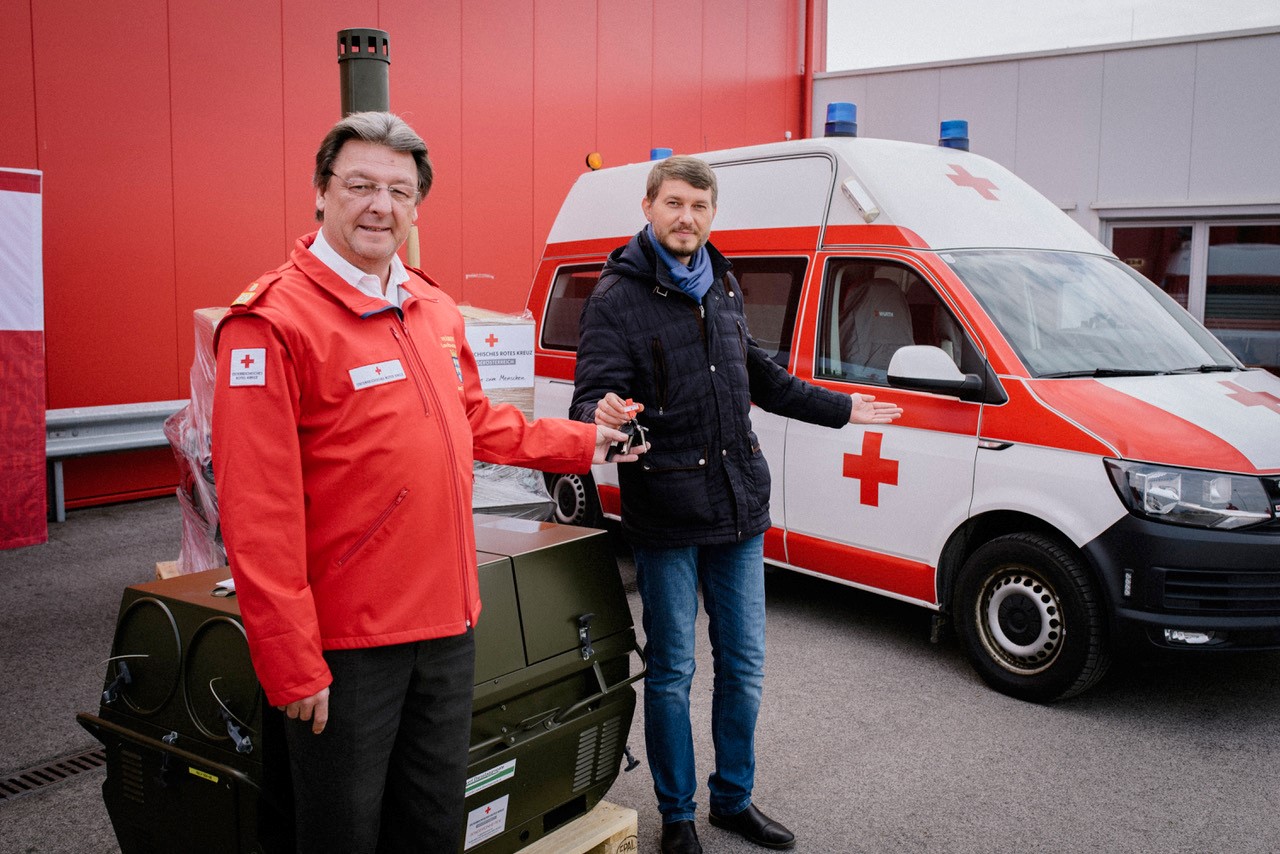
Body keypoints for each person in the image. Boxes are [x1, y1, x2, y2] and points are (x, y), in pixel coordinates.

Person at [211, 111, 641, 854]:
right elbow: (258, 513)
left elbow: (476, 421)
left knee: (434, 824)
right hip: (348, 642)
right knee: (343, 831)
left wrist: (587, 441)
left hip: (447, 625)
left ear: (416, 206)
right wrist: (290, 660)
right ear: (320, 193)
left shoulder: (431, 307)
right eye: (360, 185)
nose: (380, 205)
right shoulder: (273, 323)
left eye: (399, 190)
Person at [570, 155, 902, 854]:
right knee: (672, 674)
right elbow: (590, 400)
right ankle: (679, 817)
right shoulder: (615, 296)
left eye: (699, 205)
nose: (686, 217)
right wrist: (604, 419)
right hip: (666, 513)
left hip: (738, 507)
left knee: (744, 667)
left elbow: (764, 378)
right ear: (649, 206)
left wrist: (843, 409)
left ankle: (733, 801)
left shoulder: (721, 283)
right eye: (674, 204)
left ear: (712, 214)